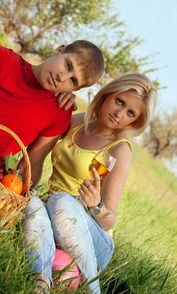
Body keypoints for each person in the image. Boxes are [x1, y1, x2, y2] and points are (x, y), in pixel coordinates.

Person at [23, 73, 157, 293]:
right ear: (108, 95)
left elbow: (109, 220)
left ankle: (92, 288)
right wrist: (59, 96)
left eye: (130, 113)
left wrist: (95, 204)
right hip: (53, 216)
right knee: (32, 205)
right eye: (119, 102)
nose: (119, 113)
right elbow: (39, 135)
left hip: (93, 240)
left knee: (62, 201)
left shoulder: (119, 149)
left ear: (135, 121)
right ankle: (41, 283)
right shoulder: (76, 122)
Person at [0, 36, 104, 186]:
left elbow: (33, 163)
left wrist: (22, 192)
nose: (63, 77)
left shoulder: (60, 111)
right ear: (60, 50)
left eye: (73, 80)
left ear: (75, 89)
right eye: (67, 65)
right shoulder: (5, 60)